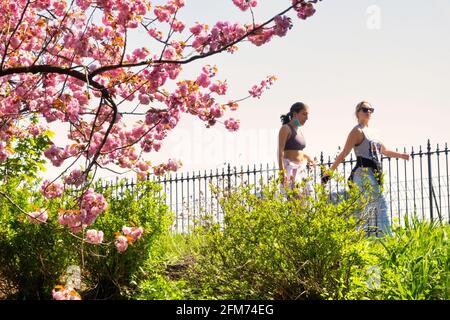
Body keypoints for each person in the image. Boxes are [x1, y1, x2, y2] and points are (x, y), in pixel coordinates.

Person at [321, 101, 410, 235]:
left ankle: (369, 237)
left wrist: (402, 155)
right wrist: (330, 172)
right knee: (375, 204)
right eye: (365, 109)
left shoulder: (373, 132)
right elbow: (344, 152)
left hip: (374, 173)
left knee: (369, 206)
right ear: (357, 113)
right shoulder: (357, 131)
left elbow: (384, 151)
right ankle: (384, 237)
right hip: (362, 173)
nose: (368, 112)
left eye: (371, 110)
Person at [278, 102, 315, 197]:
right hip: (290, 169)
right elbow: (280, 151)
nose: (307, 118)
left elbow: (298, 151)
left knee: (308, 198)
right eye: (304, 114)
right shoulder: (286, 129)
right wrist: (282, 172)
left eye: (307, 115)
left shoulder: (299, 130)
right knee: (295, 201)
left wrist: (308, 157)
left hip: (301, 169)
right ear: (295, 114)